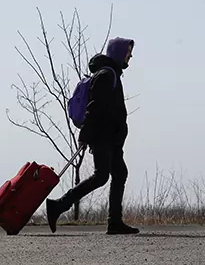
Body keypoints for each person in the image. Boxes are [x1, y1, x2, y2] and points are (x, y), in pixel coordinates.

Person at [46, 37, 139, 235]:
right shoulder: (106, 75)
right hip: (103, 136)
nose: (130, 56)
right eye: (127, 52)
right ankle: (58, 206)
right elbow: (94, 107)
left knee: (119, 173)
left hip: (111, 138)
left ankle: (114, 222)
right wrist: (85, 135)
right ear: (118, 52)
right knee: (101, 176)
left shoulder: (110, 73)